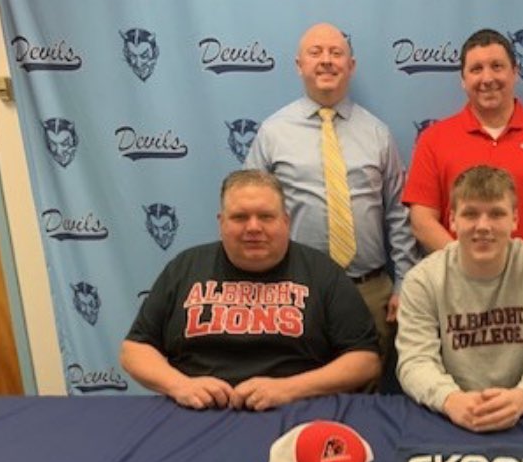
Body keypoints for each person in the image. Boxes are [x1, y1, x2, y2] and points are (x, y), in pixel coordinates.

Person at [121, 170, 380, 410]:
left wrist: (289, 389)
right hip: (196, 410)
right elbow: (135, 349)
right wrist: (181, 386)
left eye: (266, 216)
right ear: (221, 222)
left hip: (296, 409)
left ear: (286, 221)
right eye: (240, 217)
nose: (253, 228)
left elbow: (365, 360)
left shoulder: (323, 272)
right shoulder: (185, 267)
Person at [243, 22, 418, 361]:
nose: (326, 60)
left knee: (367, 397)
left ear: (350, 66)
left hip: (369, 293)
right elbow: (250, 212)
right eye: (316, 52)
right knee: (297, 390)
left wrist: (405, 283)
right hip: (293, 292)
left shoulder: (377, 133)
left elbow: (399, 212)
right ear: (299, 65)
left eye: (336, 53)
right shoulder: (273, 133)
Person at [396, 166, 523, 432]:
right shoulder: (423, 280)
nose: (483, 226)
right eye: (470, 214)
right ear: (452, 220)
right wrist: (450, 400)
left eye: (497, 214)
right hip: (447, 415)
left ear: (515, 219)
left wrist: (522, 397)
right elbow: (415, 361)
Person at [403, 28, 523, 255]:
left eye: (497, 66)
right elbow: (422, 221)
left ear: (515, 72)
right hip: (458, 284)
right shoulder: (433, 139)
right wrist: (469, 265)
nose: (487, 78)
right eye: (476, 69)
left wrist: (520, 267)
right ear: (463, 80)